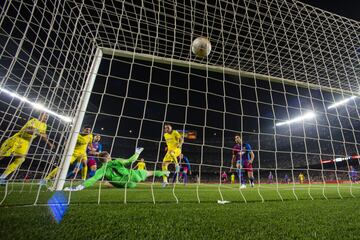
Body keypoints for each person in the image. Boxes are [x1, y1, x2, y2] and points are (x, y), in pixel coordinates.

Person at [64, 148, 169, 191]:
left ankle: (112, 183)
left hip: (126, 185)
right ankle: (164, 173)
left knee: (107, 181)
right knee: (150, 173)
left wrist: (79, 187)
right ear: (109, 156)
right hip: (134, 176)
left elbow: (93, 179)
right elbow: (130, 160)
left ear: (101, 161)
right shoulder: (117, 161)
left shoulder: (101, 170)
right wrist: (137, 152)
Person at [0, 113, 54, 183]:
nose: (46, 118)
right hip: (17, 139)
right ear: (40, 115)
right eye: (45, 116)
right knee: (1, 156)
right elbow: (27, 130)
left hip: (26, 143)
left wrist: (49, 143)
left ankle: (2, 177)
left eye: (47, 117)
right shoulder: (34, 120)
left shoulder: (44, 126)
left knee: (21, 159)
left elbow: (44, 135)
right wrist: (39, 133)